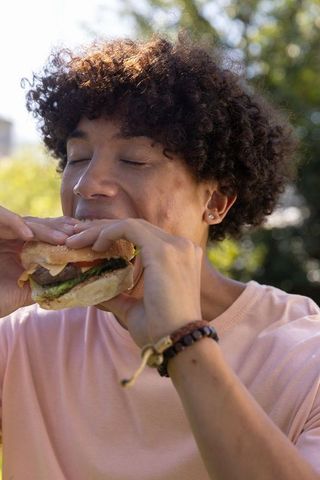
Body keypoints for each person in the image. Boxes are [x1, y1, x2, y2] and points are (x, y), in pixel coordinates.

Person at [0, 33, 319, 480]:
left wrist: (180, 339)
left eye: (134, 160)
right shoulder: (22, 337)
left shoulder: (306, 356)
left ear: (217, 201)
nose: (86, 185)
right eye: (78, 157)